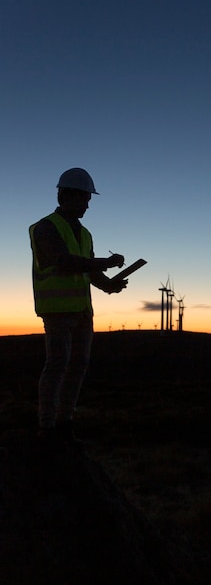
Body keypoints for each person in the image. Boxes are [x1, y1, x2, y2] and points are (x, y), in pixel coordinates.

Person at [29, 167, 128, 450]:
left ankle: (64, 425)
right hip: (58, 310)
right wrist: (105, 264)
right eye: (84, 199)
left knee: (78, 366)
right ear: (68, 196)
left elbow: (87, 270)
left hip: (83, 310)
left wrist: (109, 284)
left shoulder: (84, 233)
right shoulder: (45, 227)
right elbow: (64, 261)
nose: (87, 205)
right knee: (57, 365)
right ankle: (46, 427)